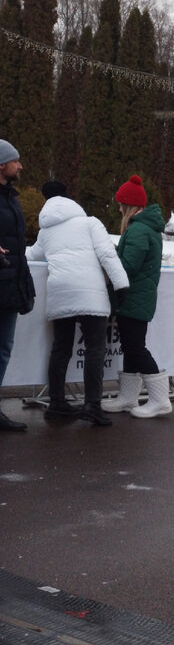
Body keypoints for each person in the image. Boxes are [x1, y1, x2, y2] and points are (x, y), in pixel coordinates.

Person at [25, 181, 128, 426]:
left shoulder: (46, 231)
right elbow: (107, 254)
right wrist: (121, 284)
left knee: (60, 349)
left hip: (60, 292)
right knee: (95, 349)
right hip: (90, 293)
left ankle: (57, 402)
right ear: (70, 198)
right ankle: (92, 404)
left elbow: (31, 255)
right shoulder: (90, 223)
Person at [103, 175, 171, 418]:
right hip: (136, 298)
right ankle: (128, 397)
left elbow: (129, 265)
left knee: (135, 347)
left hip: (134, 298)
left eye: (121, 204)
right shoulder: (143, 228)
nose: (119, 207)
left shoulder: (138, 229)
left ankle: (160, 399)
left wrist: (109, 258)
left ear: (129, 206)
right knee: (130, 348)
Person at [0, 139, 35, 431]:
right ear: (2, 165)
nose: (20, 165)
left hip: (10, 285)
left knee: (3, 348)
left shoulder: (11, 196)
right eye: (16, 160)